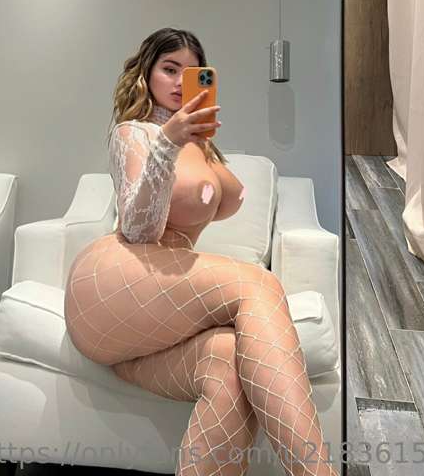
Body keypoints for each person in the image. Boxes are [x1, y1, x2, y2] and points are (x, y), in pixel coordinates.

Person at [64, 27, 338, 476]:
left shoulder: (199, 144)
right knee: (258, 283)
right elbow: (137, 228)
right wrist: (168, 143)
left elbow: (232, 194)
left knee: (228, 362)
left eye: (192, 74)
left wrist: (195, 143)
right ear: (146, 74)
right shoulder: (135, 133)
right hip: (115, 277)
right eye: (169, 69)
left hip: (151, 314)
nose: (179, 82)